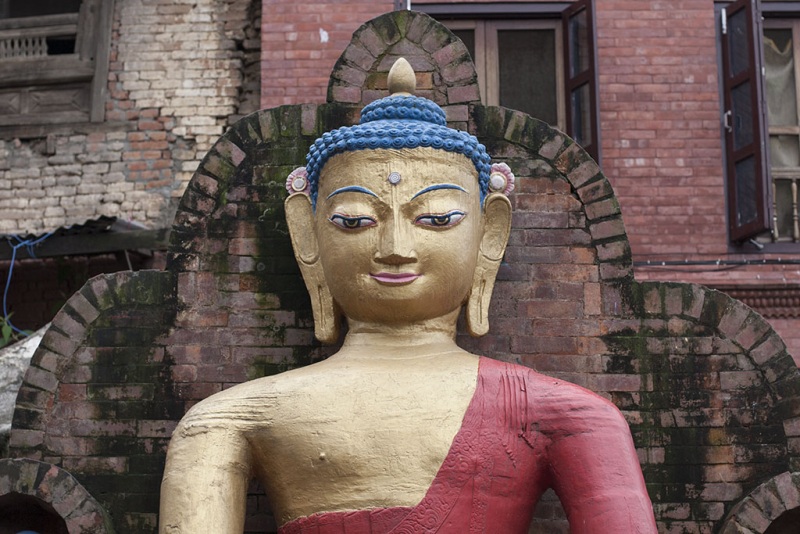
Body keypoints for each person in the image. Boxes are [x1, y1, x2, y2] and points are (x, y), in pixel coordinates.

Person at [159, 59, 657, 533]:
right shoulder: (227, 420)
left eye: (436, 220)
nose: (395, 249)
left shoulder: (569, 414)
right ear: (307, 237)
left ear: (490, 235)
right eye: (353, 221)